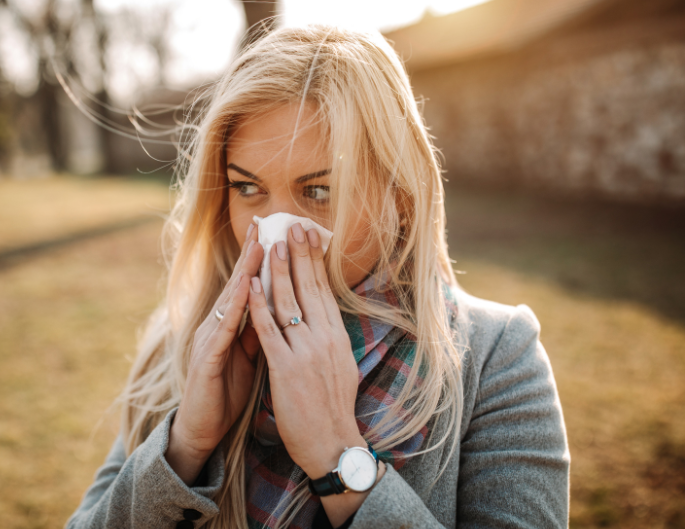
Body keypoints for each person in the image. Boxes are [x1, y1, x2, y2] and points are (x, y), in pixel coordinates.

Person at [66, 25, 569, 529]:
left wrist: (337, 455)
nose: (277, 237)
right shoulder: (186, 343)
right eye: (247, 187)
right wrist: (185, 447)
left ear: (399, 192)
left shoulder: (496, 360)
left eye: (320, 191)